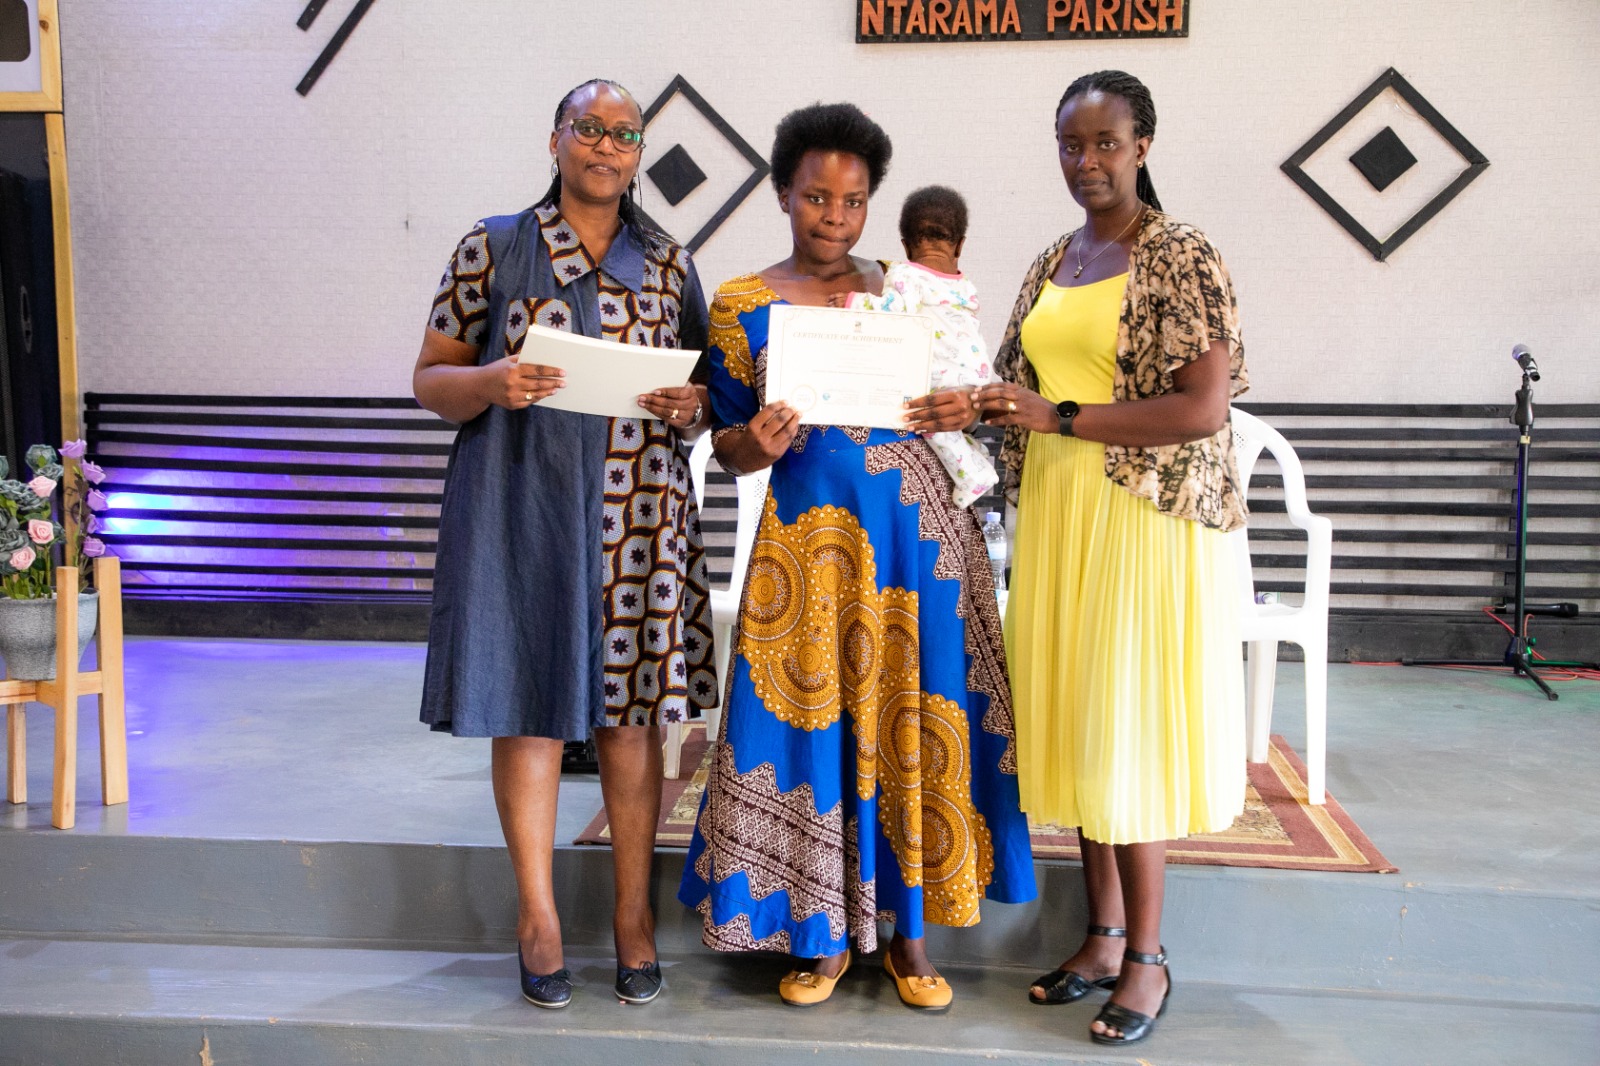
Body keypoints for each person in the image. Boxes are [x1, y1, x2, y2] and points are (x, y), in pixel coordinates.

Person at [678, 102, 1036, 1011]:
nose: (834, 217)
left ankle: (911, 938)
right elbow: (726, 442)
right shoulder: (741, 304)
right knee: (812, 729)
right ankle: (822, 934)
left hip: (921, 542)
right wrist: (754, 442)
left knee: (912, 718)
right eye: (815, 197)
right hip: (808, 548)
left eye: (853, 201)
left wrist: (965, 404)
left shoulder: (908, 289)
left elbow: (969, 382)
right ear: (782, 194)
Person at [413, 78, 718, 1010]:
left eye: (625, 133)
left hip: (640, 518)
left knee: (632, 719)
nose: (606, 145)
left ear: (638, 154)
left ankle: (632, 917)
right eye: (589, 127)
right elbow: (430, 378)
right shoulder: (495, 246)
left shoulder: (668, 262)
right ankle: (538, 919)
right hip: (523, 511)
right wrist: (490, 381)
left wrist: (693, 405)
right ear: (556, 140)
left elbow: (705, 392)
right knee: (531, 709)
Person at [974, 70, 1249, 1046]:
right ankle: (1100, 938)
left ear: (1142, 146)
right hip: (1059, 513)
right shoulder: (1058, 257)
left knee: (1125, 728)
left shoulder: (1177, 252)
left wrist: (1059, 416)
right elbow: (1013, 384)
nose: (1086, 161)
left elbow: (1202, 406)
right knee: (1082, 720)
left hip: (1140, 521)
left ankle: (1149, 960)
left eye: (1104, 142)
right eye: (1070, 144)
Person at [837, 185, 998, 508]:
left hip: (943, 370)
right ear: (960, 245)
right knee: (950, 422)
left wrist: (855, 302)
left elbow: (897, 309)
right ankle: (974, 454)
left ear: (906, 246)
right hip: (976, 367)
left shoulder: (905, 274)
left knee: (926, 418)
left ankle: (972, 475)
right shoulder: (963, 283)